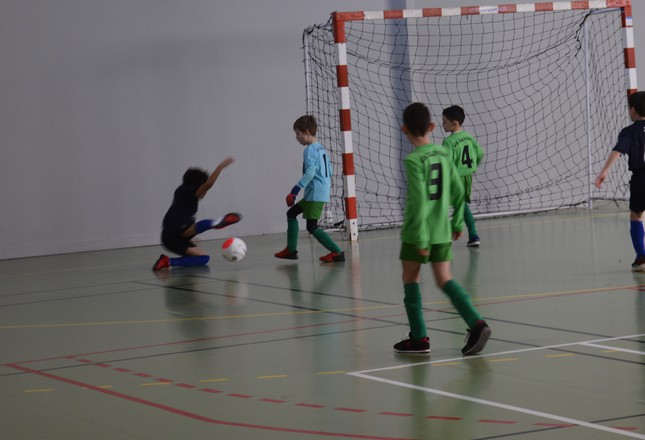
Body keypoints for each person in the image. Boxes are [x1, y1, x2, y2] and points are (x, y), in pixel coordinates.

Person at [394, 102, 490, 355]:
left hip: (418, 232)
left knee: (410, 279)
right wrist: (457, 221)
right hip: (442, 229)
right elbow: (458, 189)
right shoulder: (443, 152)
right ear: (432, 127)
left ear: (405, 130)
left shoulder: (414, 160)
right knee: (445, 279)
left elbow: (418, 200)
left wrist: (420, 238)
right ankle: (477, 324)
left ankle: (419, 338)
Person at [275, 115, 344, 262]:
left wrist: (294, 191)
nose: (296, 137)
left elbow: (310, 173)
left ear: (306, 132)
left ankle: (337, 252)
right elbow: (330, 171)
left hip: (315, 194)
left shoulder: (310, 150)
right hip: (316, 193)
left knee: (312, 226)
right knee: (291, 213)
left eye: (298, 134)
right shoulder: (321, 149)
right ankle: (290, 250)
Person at [152, 157, 241, 271]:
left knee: (204, 258)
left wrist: (188, 237)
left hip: (174, 237)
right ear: (198, 183)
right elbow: (208, 184)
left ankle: (167, 261)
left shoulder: (182, 192)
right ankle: (214, 223)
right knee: (200, 226)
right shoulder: (189, 190)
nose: (205, 192)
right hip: (174, 232)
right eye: (203, 185)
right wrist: (220, 166)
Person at [595, 91, 645, 271]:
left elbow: (618, 150)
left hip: (641, 178)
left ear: (633, 110)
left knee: (637, 215)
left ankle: (641, 258)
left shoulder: (629, 132)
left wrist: (604, 171)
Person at [442, 105, 484, 247]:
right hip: (467, 178)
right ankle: (473, 235)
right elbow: (480, 154)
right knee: (462, 206)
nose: (442, 124)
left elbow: (447, 164)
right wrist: (471, 168)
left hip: (455, 179)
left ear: (454, 123)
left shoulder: (448, 142)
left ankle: (445, 236)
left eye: (444, 122)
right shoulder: (468, 137)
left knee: (441, 204)